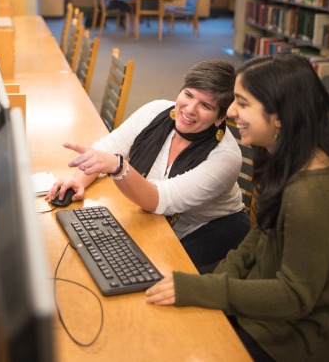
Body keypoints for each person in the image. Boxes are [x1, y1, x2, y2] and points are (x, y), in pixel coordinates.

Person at [145, 54, 329, 362]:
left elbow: (294, 297)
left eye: (242, 103)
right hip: (259, 294)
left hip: (294, 336)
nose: (229, 111)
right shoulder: (288, 158)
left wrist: (205, 291)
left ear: (280, 117)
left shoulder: (313, 196)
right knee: (156, 299)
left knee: (166, 341)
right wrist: (214, 281)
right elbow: (260, 235)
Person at [49, 59, 249, 272]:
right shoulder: (155, 111)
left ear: (220, 118)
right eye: (188, 95)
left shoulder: (225, 157)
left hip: (209, 226)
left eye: (206, 106)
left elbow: (158, 200)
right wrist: (77, 181)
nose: (190, 109)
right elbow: (105, 151)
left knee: (147, 270)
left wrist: (119, 167)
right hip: (158, 214)